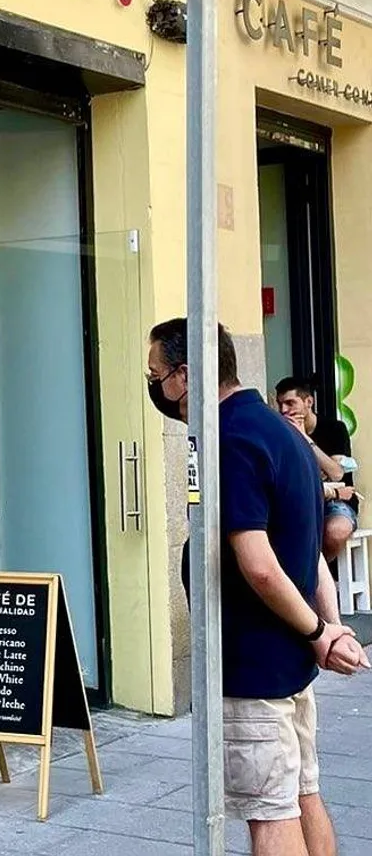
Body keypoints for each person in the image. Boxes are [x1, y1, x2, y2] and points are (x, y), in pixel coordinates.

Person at [148, 318, 368, 856]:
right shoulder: (281, 430)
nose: (153, 384)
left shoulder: (230, 440)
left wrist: (321, 629)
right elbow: (310, 547)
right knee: (302, 794)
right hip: (289, 663)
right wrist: (328, 629)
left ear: (183, 375)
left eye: (155, 373)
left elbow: (260, 564)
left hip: (252, 668)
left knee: (270, 815)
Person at [276, 376, 359, 562]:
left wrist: (304, 438)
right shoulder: (281, 432)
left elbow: (336, 474)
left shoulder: (334, 429)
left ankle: (319, 576)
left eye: (290, 403)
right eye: (280, 404)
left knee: (336, 531)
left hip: (336, 503)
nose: (284, 411)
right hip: (303, 500)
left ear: (308, 402)